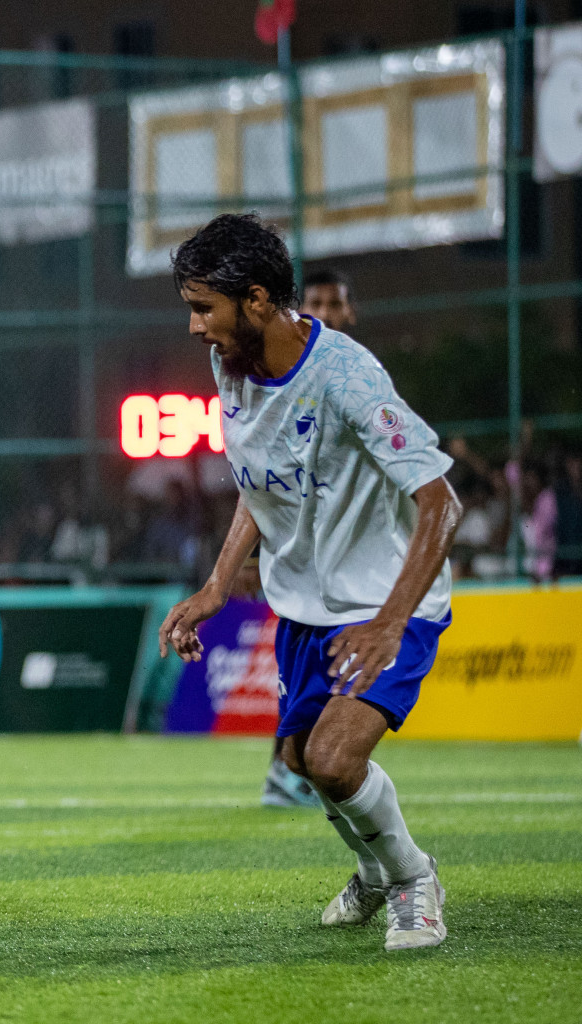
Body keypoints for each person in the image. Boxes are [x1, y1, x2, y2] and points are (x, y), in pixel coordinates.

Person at [159, 214, 463, 952]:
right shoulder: (230, 365)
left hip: (387, 599)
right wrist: (215, 585)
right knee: (301, 760)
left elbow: (441, 502)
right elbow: (257, 485)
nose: (196, 327)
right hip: (306, 603)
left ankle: (413, 880)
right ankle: (373, 865)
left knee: (332, 758)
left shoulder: (347, 376)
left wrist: (392, 621)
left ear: (258, 300)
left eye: (206, 308)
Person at [254, 268, 360, 808]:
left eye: (334, 302)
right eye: (314, 301)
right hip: (303, 564)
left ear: (350, 313)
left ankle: (316, 767)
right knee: (304, 680)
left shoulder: (364, 380)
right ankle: (287, 768)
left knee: (342, 680)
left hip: (355, 566)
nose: (325, 310)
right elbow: (261, 480)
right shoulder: (283, 382)